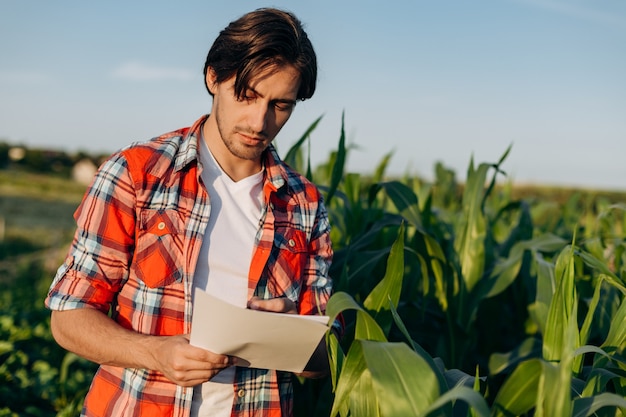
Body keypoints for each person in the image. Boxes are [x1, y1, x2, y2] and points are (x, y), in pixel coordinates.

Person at [45, 8, 335, 417]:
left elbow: (326, 360)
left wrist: (295, 336)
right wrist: (153, 353)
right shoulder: (136, 174)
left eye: (281, 105)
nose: (260, 121)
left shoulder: (304, 203)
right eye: (247, 95)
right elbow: (69, 317)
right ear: (213, 77)